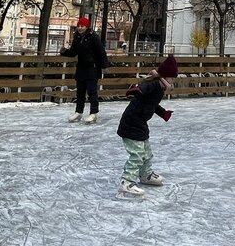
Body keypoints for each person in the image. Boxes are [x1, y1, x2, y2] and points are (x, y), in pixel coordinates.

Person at [116, 54, 177, 198]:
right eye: (172, 78)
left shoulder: (159, 88)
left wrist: (163, 113)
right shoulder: (153, 84)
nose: (173, 81)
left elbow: (152, 104)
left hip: (140, 123)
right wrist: (136, 90)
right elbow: (143, 87)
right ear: (165, 76)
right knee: (136, 155)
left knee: (147, 153)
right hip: (131, 123)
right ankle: (126, 182)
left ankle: (145, 175)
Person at [60, 16, 109, 124]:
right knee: (80, 92)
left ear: (87, 27)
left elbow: (101, 52)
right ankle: (78, 112)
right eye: (79, 26)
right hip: (81, 68)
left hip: (92, 68)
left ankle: (93, 113)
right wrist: (64, 52)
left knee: (92, 92)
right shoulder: (77, 38)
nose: (80, 28)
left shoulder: (94, 38)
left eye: (82, 26)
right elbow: (73, 52)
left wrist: (104, 66)